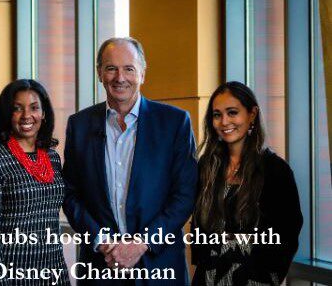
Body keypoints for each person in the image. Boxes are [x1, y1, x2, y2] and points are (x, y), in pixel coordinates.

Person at [63, 37, 198, 285]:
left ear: (142, 74)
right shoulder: (79, 125)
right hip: (100, 269)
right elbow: (70, 194)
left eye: (129, 68)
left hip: (159, 267)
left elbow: (185, 194)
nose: (119, 77)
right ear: (99, 74)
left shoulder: (175, 123)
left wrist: (142, 243)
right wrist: (102, 240)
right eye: (111, 68)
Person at [191, 82, 303, 285]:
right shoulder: (207, 166)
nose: (224, 121)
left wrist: (266, 276)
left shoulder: (276, 170)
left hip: (254, 278)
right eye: (217, 115)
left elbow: (288, 232)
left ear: (252, 114)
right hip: (208, 277)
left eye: (232, 112)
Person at [0, 79, 70, 286]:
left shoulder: (52, 158)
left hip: (54, 268)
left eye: (34, 108)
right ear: (7, 115)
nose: (27, 116)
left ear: (44, 114)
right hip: (13, 273)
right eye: (17, 109)